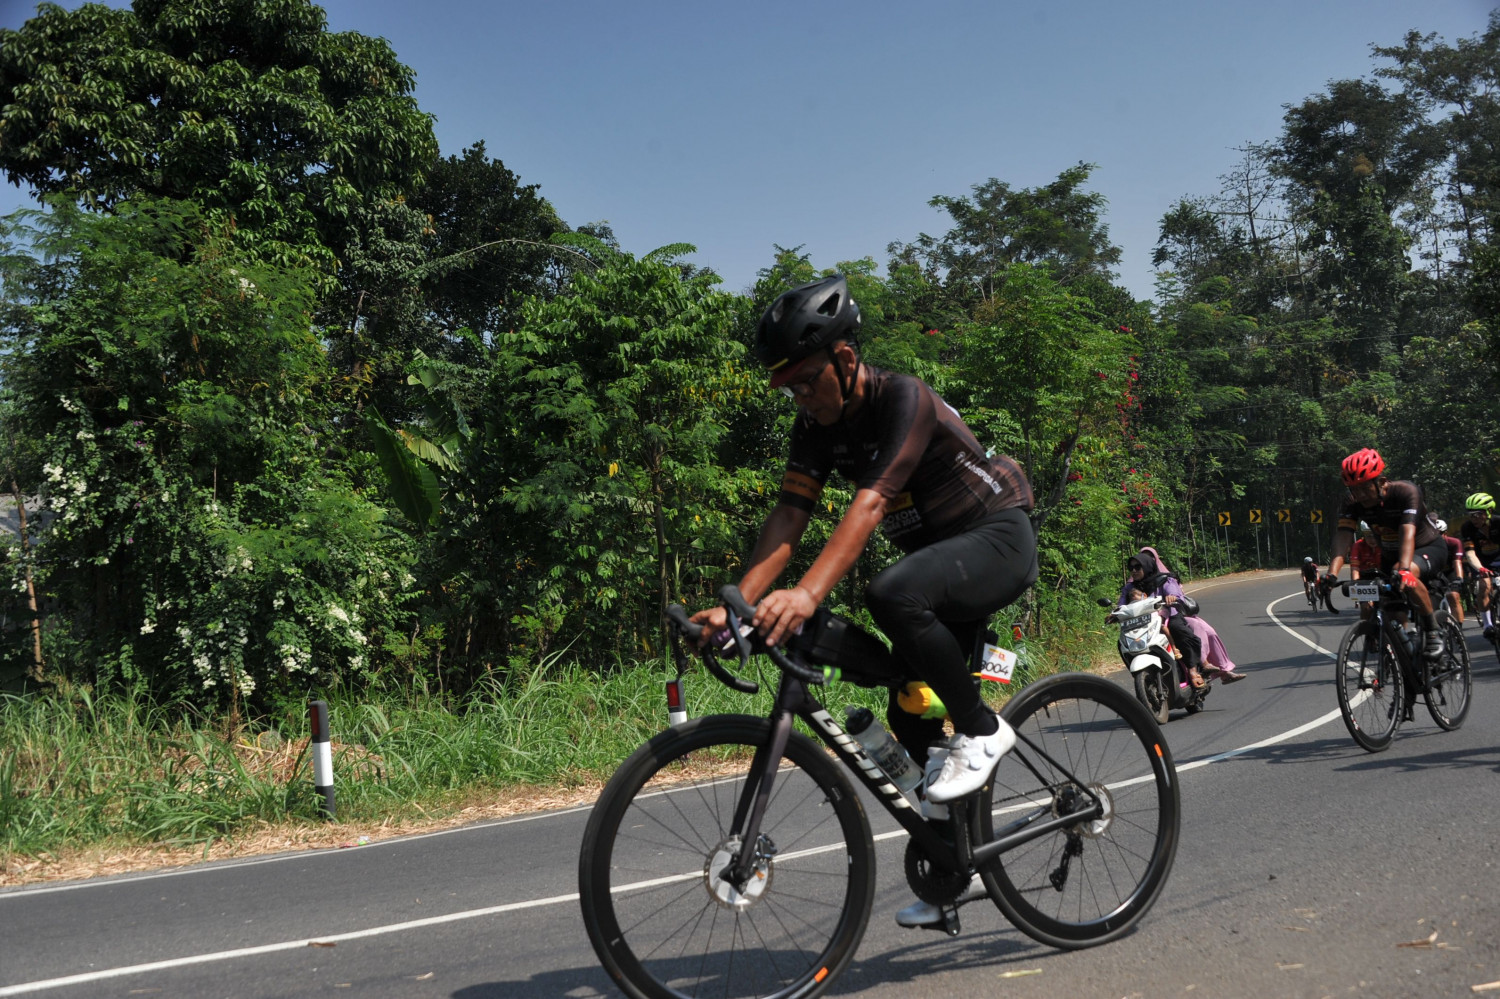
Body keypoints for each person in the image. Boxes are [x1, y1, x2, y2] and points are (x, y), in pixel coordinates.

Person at [689, 274, 1038, 928]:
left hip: (996, 537)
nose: (798, 396)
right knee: (910, 713)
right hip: (938, 573)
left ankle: (986, 730)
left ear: (845, 359)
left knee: (888, 592)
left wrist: (806, 592)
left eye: (805, 380)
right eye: (787, 387)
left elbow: (871, 503)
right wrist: (738, 606)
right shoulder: (816, 427)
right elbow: (789, 516)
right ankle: (956, 869)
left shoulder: (904, 398)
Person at [1322, 449, 1447, 660]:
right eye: (1354, 489)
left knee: (1404, 573)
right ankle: (1402, 659)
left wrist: (1405, 569)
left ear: (1381, 482)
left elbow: (1407, 532)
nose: (1360, 495)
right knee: (1390, 610)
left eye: (1365, 488)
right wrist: (1331, 574)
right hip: (1390, 555)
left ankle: (1433, 631)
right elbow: (1343, 536)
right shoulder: (1352, 502)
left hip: (1426, 548)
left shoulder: (1406, 492)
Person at [1118, 548, 1205, 687]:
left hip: (1167, 616)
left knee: (1180, 630)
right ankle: (1139, 674)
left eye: (1138, 567)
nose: (1134, 571)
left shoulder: (1164, 580)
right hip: (1141, 622)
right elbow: (1121, 604)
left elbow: (1174, 592)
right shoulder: (1129, 587)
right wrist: (1114, 614)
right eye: (1131, 568)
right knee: (1121, 642)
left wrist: (1172, 597)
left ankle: (1192, 670)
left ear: (1147, 566)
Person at [1460, 492, 1500, 639]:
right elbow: (1470, 554)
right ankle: (1488, 625)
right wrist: (1481, 569)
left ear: (1489, 511)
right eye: (1471, 515)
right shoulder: (1467, 528)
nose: (1474, 518)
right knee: (1484, 586)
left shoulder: (1498, 522)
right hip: (1481, 562)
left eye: (1477, 514)